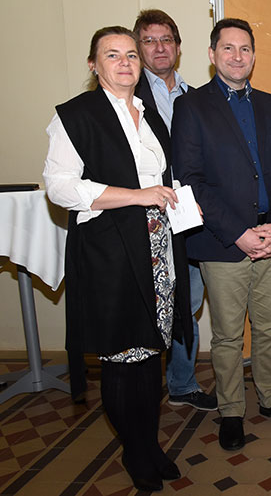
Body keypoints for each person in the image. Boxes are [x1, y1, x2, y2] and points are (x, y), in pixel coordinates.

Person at [44, 26, 193, 491]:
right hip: (111, 250)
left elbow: (164, 177)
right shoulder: (76, 115)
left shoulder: (148, 115)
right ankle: (134, 452)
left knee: (150, 356)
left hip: (157, 246)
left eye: (131, 54)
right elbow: (61, 186)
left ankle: (149, 444)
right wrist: (136, 195)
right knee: (121, 356)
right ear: (94, 64)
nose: (126, 62)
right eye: (113, 55)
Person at [172, 18, 271, 451]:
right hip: (223, 242)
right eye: (227, 48)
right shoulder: (191, 107)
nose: (236, 56)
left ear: (253, 55)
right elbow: (190, 178)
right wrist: (238, 233)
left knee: (270, 326)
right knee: (228, 335)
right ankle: (232, 409)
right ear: (212, 55)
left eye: (244, 49)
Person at [133, 8, 216, 412]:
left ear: (179, 48)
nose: (159, 47)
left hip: (189, 218)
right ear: (138, 47)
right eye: (149, 41)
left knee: (189, 301)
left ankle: (181, 383)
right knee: (151, 305)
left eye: (166, 39)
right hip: (144, 219)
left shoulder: (196, 96)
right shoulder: (127, 98)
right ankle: (144, 386)